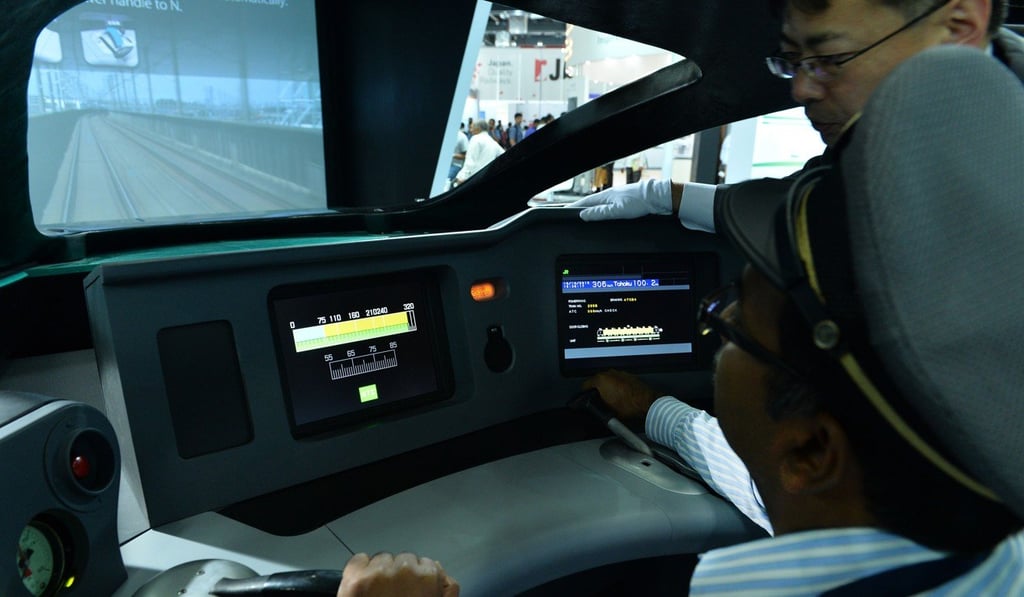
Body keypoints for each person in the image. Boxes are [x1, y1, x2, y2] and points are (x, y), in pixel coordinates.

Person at [335, 47, 1024, 595]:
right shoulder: (905, 501)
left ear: (811, 451)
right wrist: (651, 409)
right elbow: (759, 475)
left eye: (730, 320)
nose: (715, 321)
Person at [570, 0, 1023, 231]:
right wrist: (662, 195)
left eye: (830, 58)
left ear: (959, 28)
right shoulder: (877, 158)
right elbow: (811, 209)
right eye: (793, 61)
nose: (801, 90)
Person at [453, 119, 504, 185]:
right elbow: (504, 155)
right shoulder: (493, 142)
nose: (470, 130)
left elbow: (470, 161)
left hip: (473, 178)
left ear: (478, 128)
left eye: (472, 127)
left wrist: (461, 178)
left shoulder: (475, 139)